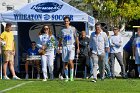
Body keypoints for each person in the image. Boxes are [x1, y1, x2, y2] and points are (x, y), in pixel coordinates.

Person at [59, 16, 80, 82]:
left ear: (69, 22)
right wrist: (59, 47)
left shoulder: (73, 29)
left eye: (67, 21)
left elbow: (76, 38)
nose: (66, 22)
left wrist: (78, 48)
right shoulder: (62, 30)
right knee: (65, 63)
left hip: (71, 46)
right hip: (64, 46)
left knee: (70, 61)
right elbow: (60, 39)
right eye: (65, 21)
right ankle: (67, 77)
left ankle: (71, 76)